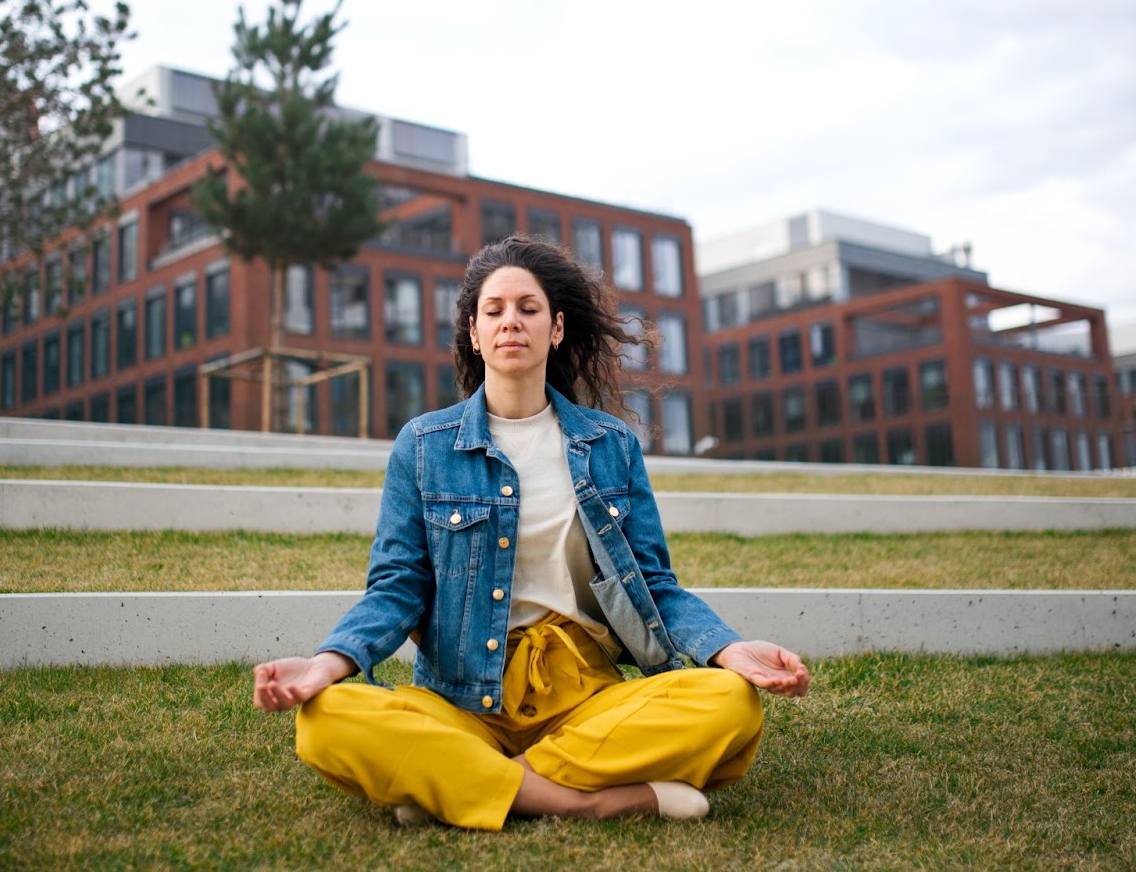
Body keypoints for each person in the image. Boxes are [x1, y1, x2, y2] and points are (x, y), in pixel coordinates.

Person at [252, 235, 809, 830]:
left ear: (557, 328)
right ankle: (589, 798)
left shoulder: (609, 445)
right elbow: (396, 587)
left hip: (585, 698)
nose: (510, 322)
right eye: (493, 311)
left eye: (528, 309)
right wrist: (329, 662)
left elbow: (652, 583)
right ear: (473, 332)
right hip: (465, 701)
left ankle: (460, 782)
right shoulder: (423, 445)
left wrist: (726, 648)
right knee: (325, 718)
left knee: (730, 702)